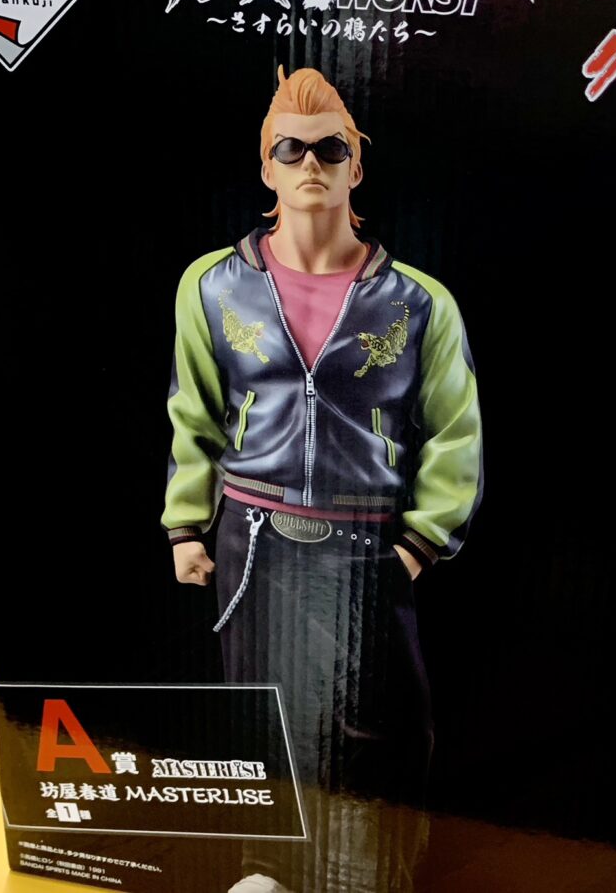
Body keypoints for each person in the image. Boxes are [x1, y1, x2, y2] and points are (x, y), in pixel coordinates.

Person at [162, 66, 483, 893]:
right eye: (291, 149)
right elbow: (193, 411)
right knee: (262, 712)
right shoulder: (213, 285)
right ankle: (267, 866)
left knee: (378, 723)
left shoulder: (417, 303)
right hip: (252, 533)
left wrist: (417, 545)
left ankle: (362, 871)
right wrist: (186, 524)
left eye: (330, 148)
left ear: (355, 165)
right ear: (266, 165)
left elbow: (456, 434)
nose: (311, 163)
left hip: (366, 537)